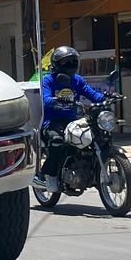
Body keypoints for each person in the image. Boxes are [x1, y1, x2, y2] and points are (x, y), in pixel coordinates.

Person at [35, 46, 105, 190]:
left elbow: (91, 94)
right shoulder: (48, 80)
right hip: (52, 122)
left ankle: (92, 171)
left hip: (73, 121)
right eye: (66, 62)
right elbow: (45, 99)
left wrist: (106, 97)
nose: (71, 65)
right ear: (56, 64)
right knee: (57, 141)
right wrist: (57, 100)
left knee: (95, 136)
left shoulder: (77, 80)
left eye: (73, 61)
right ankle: (48, 175)